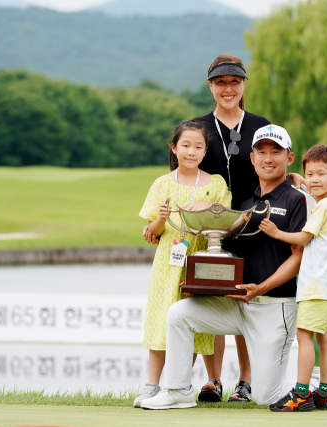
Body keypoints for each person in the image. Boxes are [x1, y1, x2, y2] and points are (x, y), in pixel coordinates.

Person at [139, 124, 313, 410]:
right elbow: (226, 251)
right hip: (237, 306)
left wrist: (261, 287)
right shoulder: (245, 204)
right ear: (253, 158)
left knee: (265, 397)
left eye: (276, 152)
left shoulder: (298, 198)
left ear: (289, 158)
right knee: (179, 313)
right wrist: (204, 282)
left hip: (274, 306)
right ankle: (178, 391)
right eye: (261, 152)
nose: (268, 158)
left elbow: (299, 256)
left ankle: (315, 385)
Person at [132, 120, 232, 408]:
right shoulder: (162, 184)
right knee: (161, 319)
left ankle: (178, 384)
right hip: (168, 262)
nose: (192, 151)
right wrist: (162, 218)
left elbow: (224, 216)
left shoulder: (215, 183)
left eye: (198, 146)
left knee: (192, 321)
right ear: (174, 148)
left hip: (202, 260)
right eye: (185, 145)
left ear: (205, 151)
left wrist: (204, 207)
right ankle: (152, 385)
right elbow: (154, 230)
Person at [258, 144, 327, 412]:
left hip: (316, 286)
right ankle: (325, 393)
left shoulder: (323, 207)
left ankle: (301, 394)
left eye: (321, 174)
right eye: (310, 174)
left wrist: (276, 232)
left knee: (304, 337)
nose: (314, 180)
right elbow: (311, 188)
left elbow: (303, 237)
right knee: (325, 339)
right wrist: (299, 179)